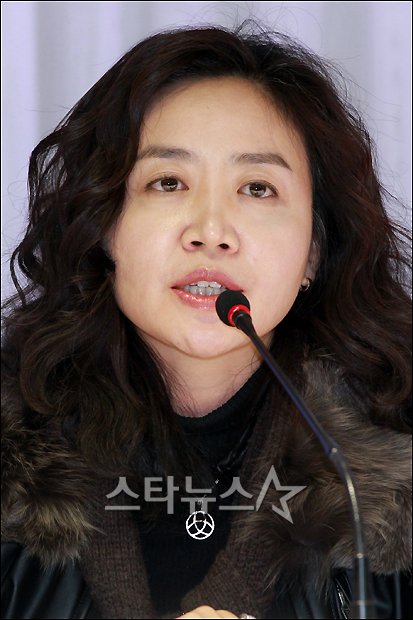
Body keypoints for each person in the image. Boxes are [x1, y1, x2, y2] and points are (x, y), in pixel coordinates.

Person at [1, 20, 411, 620]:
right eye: (168, 182)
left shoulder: (395, 468)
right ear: (103, 226)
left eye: (258, 188)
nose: (211, 231)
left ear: (314, 252)